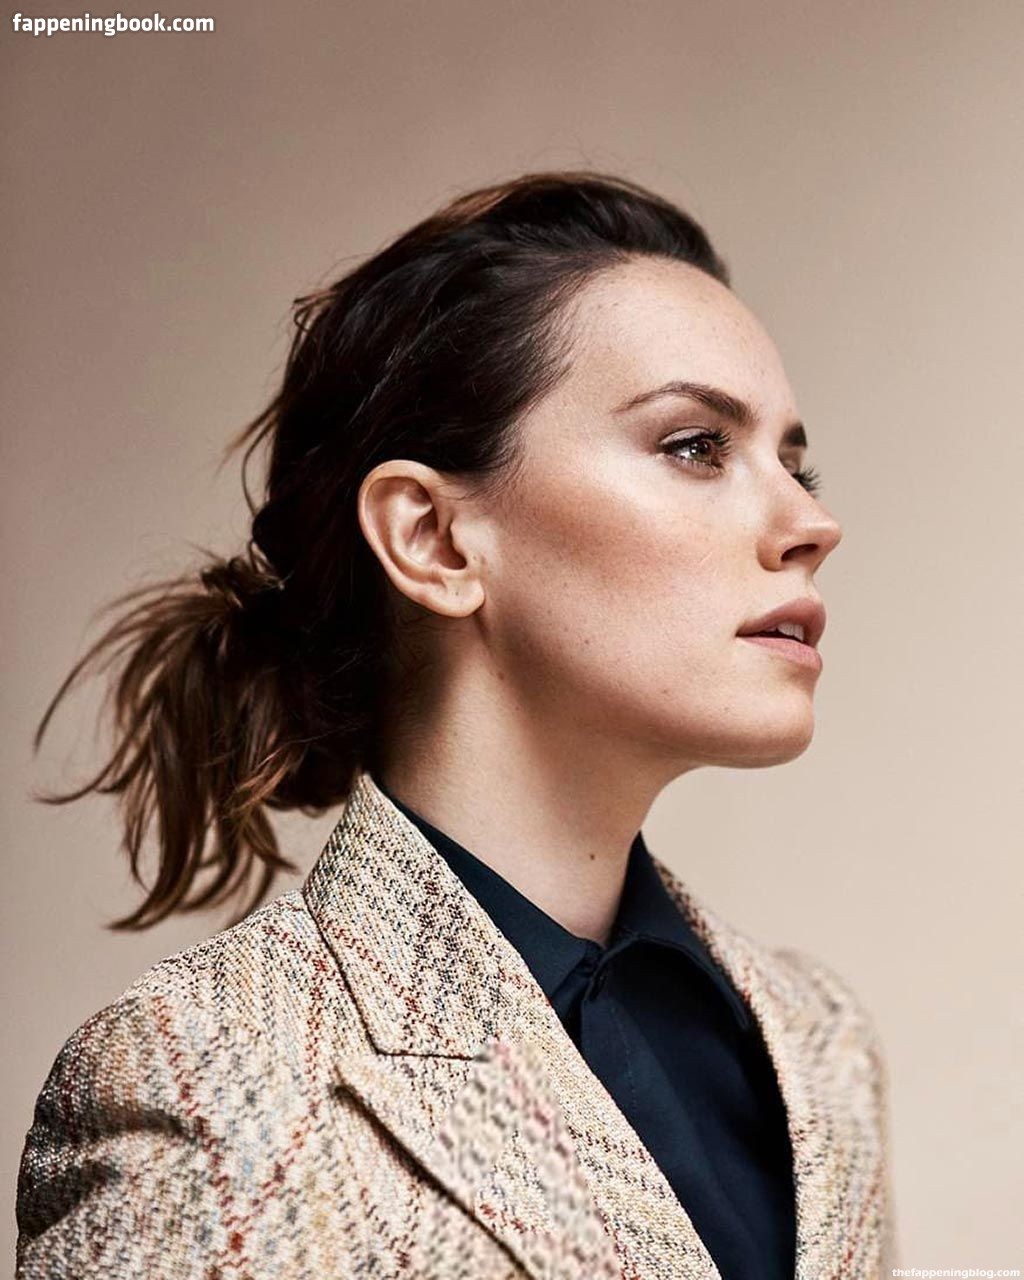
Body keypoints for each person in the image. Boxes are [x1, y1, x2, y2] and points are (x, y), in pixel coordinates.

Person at [15, 172, 900, 1279]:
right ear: (432, 539)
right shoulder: (216, 1084)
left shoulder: (818, 1044)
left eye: (795, 464)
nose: (812, 522)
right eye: (694, 445)